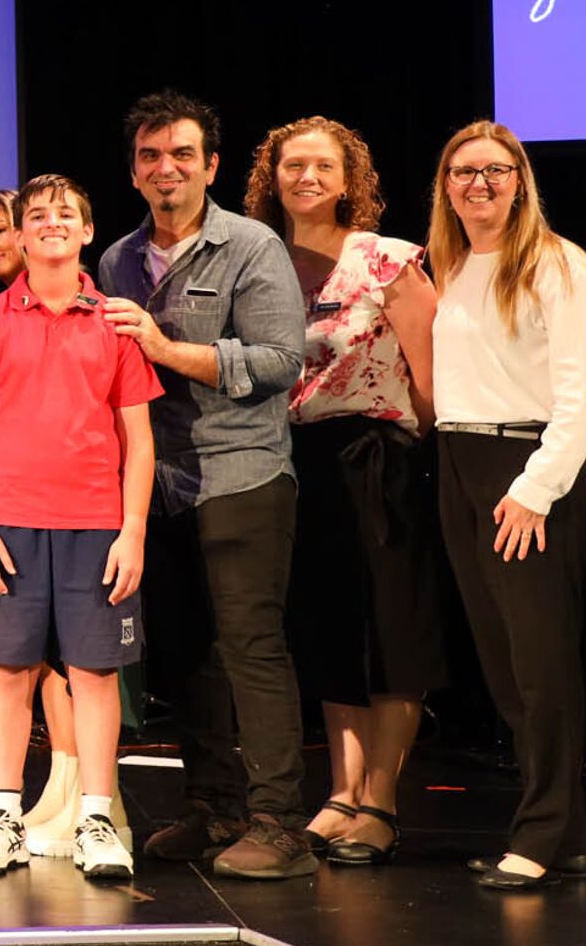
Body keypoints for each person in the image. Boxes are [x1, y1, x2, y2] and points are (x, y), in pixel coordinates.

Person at [96, 92, 313, 880]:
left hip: (241, 472)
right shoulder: (116, 261)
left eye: (183, 154)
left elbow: (280, 361)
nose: (167, 169)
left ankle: (280, 824)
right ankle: (216, 809)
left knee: (251, 648)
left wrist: (165, 348)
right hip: (158, 482)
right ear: (133, 171)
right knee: (188, 653)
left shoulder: (250, 245)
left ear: (211, 166)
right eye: (151, 156)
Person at [0, 176, 159, 883]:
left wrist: (132, 530)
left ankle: (95, 818)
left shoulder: (115, 323)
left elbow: (138, 440)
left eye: (65, 213)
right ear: (19, 235)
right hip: (8, 524)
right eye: (36, 215)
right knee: (7, 672)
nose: (51, 223)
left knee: (94, 675)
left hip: (95, 525)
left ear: (87, 231)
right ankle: (5, 817)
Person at [246, 116, 444, 866]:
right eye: (292, 165)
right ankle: (341, 793)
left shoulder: (384, 259)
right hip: (300, 462)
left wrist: (410, 451)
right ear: (272, 178)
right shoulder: (263, 261)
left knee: (390, 633)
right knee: (329, 632)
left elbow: (431, 378)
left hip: (379, 459)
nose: (307, 177)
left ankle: (382, 802)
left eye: (323, 166)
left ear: (347, 180)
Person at [425, 122, 586, 892]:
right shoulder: (452, 266)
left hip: (525, 472)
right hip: (461, 464)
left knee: (540, 662)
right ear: (446, 187)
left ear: (520, 180)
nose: (479, 184)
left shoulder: (556, 263)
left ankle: (542, 830)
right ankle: (569, 830)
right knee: (501, 664)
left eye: (495, 170)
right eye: (463, 172)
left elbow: (579, 396)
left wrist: (533, 489)